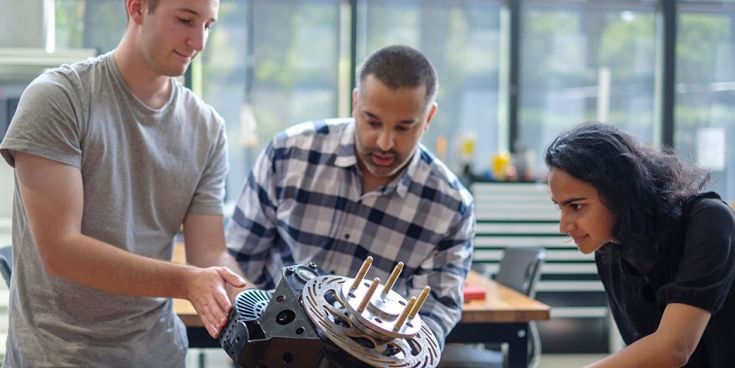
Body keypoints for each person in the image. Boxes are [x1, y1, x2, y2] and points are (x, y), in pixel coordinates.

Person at [0, 0, 247, 366]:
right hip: (59, 356)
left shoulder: (207, 128)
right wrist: (185, 281)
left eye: (208, 26)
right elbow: (61, 251)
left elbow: (208, 253)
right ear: (136, 8)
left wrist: (254, 297)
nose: (199, 42)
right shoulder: (59, 98)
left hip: (158, 354)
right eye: (185, 20)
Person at [226, 45, 475, 348]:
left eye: (403, 128)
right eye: (372, 121)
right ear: (356, 102)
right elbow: (238, 260)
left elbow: (433, 315)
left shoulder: (450, 207)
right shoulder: (289, 154)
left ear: (428, 118)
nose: (385, 142)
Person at [545, 122, 735, 367]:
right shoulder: (609, 250)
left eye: (576, 206)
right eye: (560, 207)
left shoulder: (709, 219)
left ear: (619, 192)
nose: (564, 226)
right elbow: (642, 350)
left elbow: (673, 349)